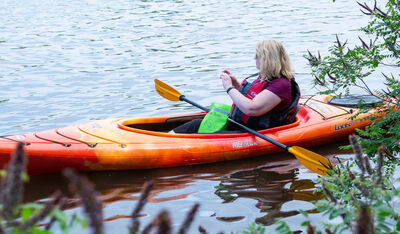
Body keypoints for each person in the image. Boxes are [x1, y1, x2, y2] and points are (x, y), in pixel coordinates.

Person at [170, 39, 300, 134]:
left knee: (214, 136)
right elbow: (252, 97)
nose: (255, 58)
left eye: (258, 56)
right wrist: (236, 85)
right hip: (243, 125)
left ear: (268, 60)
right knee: (196, 124)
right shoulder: (265, 76)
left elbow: (252, 109)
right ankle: (165, 139)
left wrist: (229, 88)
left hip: (257, 132)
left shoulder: (281, 84)